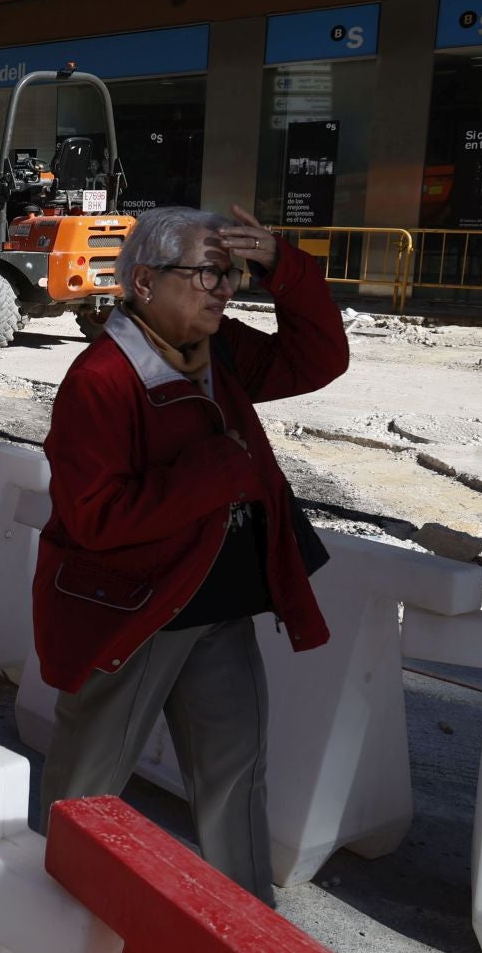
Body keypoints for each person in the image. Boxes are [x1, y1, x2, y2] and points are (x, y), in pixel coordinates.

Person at [32, 204, 348, 906]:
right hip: (132, 614)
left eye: (230, 273)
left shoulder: (221, 349)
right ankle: (49, 916)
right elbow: (94, 519)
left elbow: (319, 358)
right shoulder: (101, 380)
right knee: (86, 789)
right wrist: (216, 471)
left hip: (215, 605)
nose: (223, 288)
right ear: (144, 283)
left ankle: (247, 934)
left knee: (236, 778)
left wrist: (283, 267)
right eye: (207, 272)